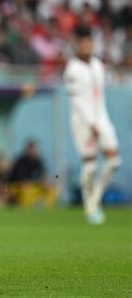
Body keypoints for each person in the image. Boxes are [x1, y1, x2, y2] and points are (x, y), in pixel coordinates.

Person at [64, 25, 121, 225]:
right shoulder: (72, 68)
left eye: (90, 42)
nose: (87, 46)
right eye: (84, 42)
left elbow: (99, 96)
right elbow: (77, 101)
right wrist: (90, 123)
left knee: (114, 161)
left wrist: (100, 121)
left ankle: (94, 200)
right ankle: (90, 207)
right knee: (89, 166)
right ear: (78, 45)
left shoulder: (98, 64)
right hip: (82, 122)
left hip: (102, 118)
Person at [8, 140, 57, 208]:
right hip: (18, 186)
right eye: (32, 149)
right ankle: (27, 208)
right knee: (26, 190)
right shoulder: (21, 162)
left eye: (36, 149)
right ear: (28, 150)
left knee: (51, 189)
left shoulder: (39, 162)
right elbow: (21, 181)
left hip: (34, 186)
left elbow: (43, 175)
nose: (34, 151)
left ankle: (46, 207)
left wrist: (46, 183)